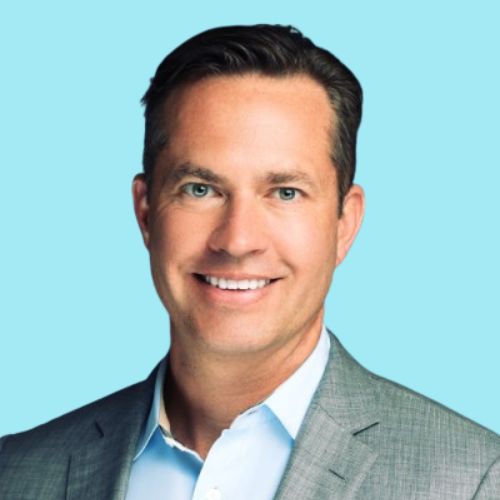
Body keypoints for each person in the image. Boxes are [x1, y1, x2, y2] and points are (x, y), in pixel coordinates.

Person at [0, 24, 498, 500]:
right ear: (146, 212)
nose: (237, 240)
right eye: (201, 189)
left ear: (344, 223)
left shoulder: (474, 480)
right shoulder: (17, 473)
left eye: (285, 192)